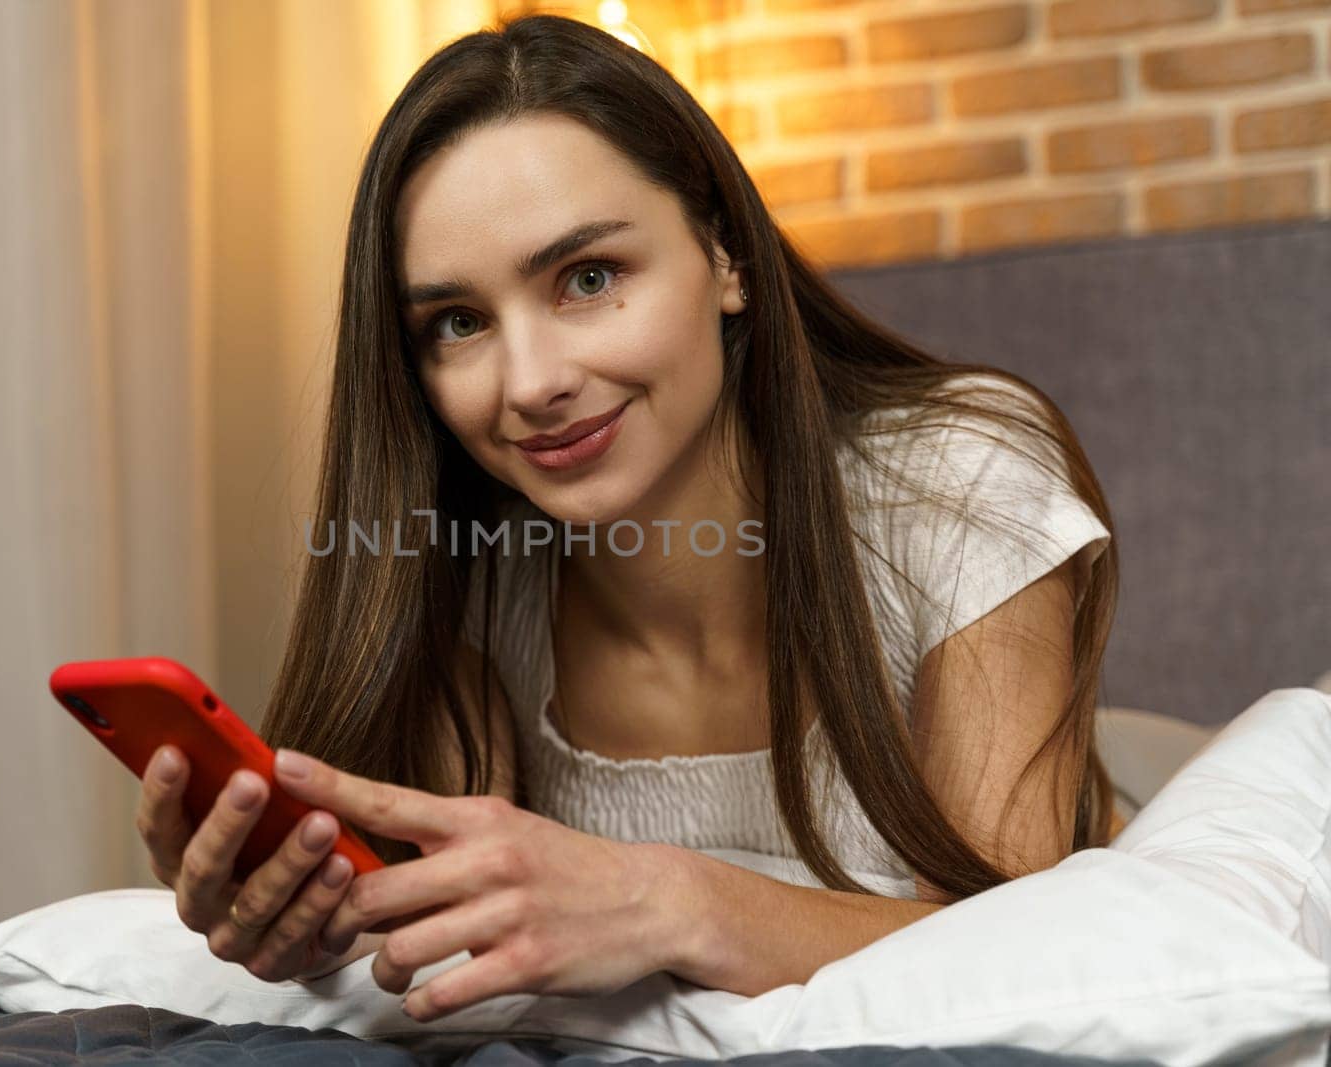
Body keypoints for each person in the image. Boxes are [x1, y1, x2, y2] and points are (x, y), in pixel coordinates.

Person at [134, 12, 1123, 1022]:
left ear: (726, 255)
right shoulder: (473, 572)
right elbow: (433, 938)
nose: (530, 383)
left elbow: (1011, 948)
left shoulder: (958, 474)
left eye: (589, 278)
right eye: (459, 322)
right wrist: (308, 916)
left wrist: (673, 898)